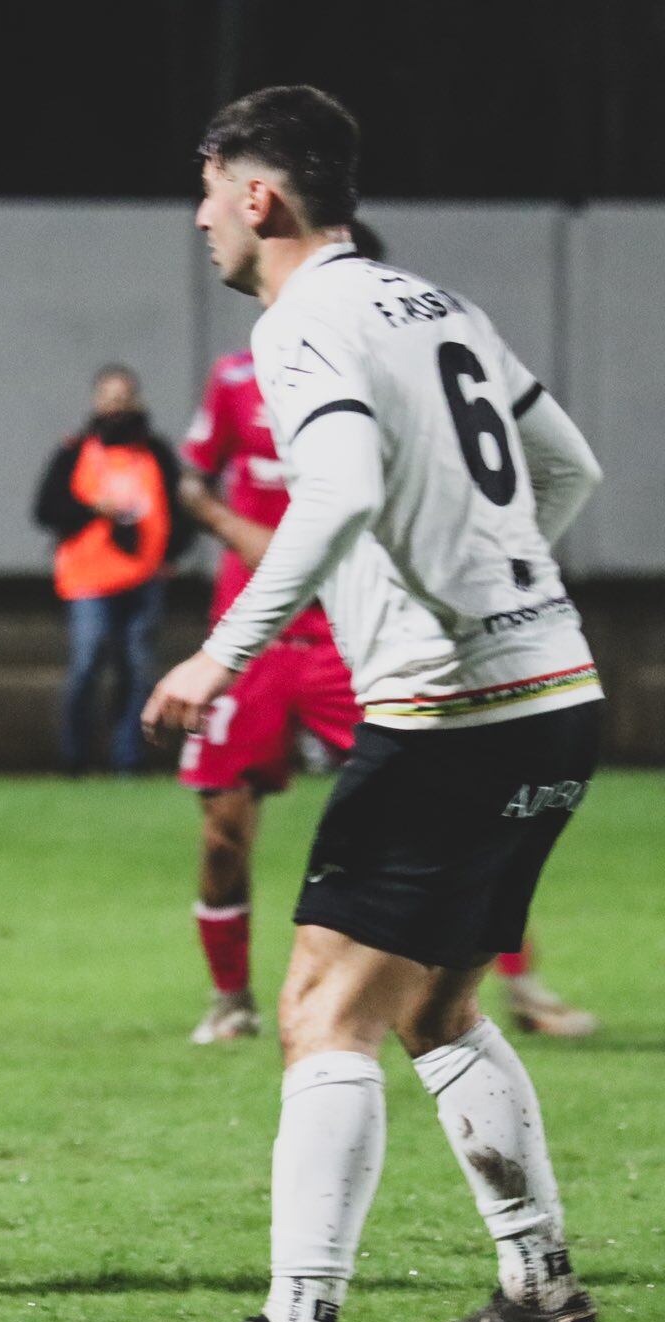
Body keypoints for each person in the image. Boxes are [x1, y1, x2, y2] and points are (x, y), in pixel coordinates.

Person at [146, 87, 605, 1322]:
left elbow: (339, 487)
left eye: (205, 191)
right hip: (554, 694)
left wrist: (220, 653)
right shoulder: (438, 303)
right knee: (437, 1008)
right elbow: (567, 468)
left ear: (259, 197)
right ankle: (538, 1293)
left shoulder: (303, 325)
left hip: (451, 715)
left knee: (319, 1011)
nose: (197, 220)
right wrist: (491, 593)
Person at [174, 222, 599, 1046]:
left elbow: (343, 497)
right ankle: (231, 999)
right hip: (260, 635)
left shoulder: (374, 361)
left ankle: (512, 985)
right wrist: (235, 531)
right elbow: (193, 480)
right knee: (225, 830)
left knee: (459, 826)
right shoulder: (245, 371)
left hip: (355, 641)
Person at [34, 366, 193, 774]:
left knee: (137, 670)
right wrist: (93, 510)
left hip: (144, 578)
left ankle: (129, 760)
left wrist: (172, 554)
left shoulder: (154, 451)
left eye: (123, 397)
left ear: (135, 401)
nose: (116, 406)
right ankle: (75, 759)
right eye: (108, 396)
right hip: (88, 579)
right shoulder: (74, 451)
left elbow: (182, 508)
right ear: (96, 401)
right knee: (86, 665)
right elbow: (46, 510)